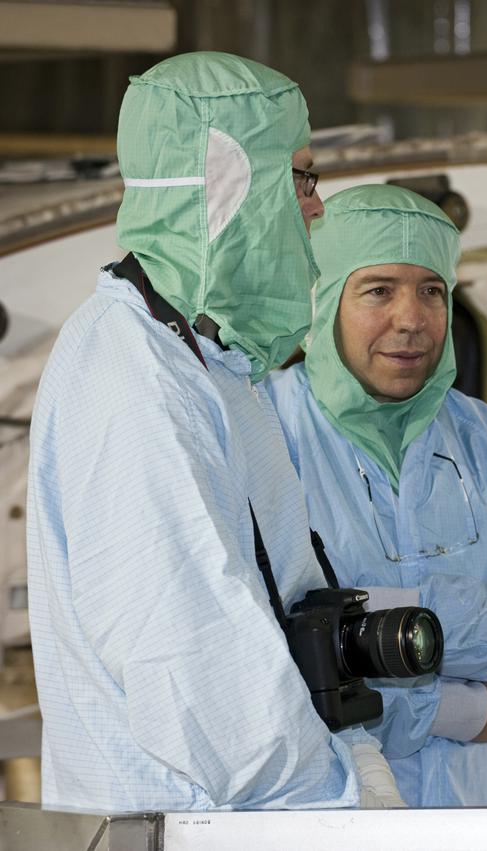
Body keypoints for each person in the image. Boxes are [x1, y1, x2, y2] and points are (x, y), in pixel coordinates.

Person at [27, 52, 402, 811]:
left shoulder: (219, 367)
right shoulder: (132, 379)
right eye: (301, 178)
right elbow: (200, 678)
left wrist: (359, 757)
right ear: (235, 190)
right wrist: (345, 811)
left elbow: (297, 607)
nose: (317, 208)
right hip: (194, 825)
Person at [265, 184, 487, 807]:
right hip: (331, 817)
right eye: (378, 290)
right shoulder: (264, 435)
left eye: (431, 291)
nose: (411, 319)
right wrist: (451, 707)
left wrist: (394, 615)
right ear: (322, 300)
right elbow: (262, 665)